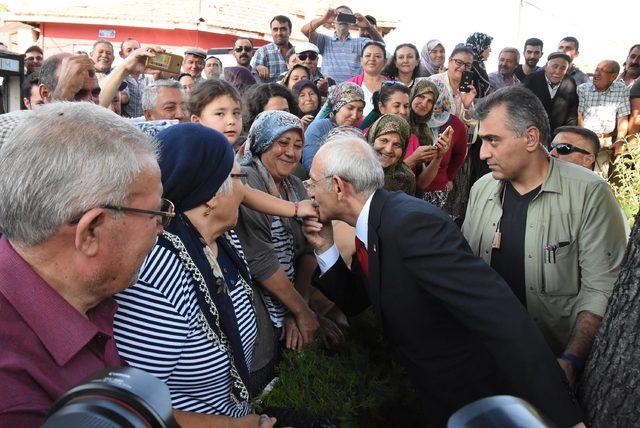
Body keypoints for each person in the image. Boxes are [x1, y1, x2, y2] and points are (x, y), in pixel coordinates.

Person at [301, 136, 584, 428]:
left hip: (478, 397)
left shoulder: (411, 225)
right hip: (436, 393)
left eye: (311, 182)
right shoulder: (373, 224)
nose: (307, 192)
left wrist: (565, 416)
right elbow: (357, 301)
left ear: (338, 186)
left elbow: (497, 311)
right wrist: (324, 247)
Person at [112, 123, 299, 423]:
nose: (245, 189)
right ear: (212, 195)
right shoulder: (155, 273)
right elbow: (134, 407)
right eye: (239, 177)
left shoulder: (224, 240)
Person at [0, 102, 160, 424]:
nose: (160, 227)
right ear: (90, 232)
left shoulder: (85, 291)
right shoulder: (16, 401)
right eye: (154, 214)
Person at [463, 87, 627, 385]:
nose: (483, 152)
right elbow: (468, 271)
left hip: (552, 365)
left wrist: (572, 359)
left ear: (531, 138)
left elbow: (601, 286)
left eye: (492, 140)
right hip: (486, 355)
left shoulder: (589, 194)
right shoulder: (482, 189)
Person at [235, 110, 328, 358]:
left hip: (289, 295)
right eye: (282, 143)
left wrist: (296, 308)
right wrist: (301, 311)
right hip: (254, 297)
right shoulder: (245, 180)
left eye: (298, 145)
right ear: (263, 141)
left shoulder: (295, 185)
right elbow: (260, 259)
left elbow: (307, 251)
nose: (291, 153)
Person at [410, 80, 467, 206]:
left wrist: (449, 177)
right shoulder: (407, 121)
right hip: (405, 190)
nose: (425, 104)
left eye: (431, 100)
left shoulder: (455, 125)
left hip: (435, 189)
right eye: (421, 96)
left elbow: (459, 155)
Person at [301, 6, 383, 83]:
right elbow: (305, 30)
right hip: (328, 91)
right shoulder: (325, 41)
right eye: (340, 15)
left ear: (351, 22)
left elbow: (381, 46)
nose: (343, 20)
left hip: (354, 92)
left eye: (347, 17)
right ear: (333, 21)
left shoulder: (360, 42)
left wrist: (368, 27)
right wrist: (324, 19)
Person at [577, 60, 630, 174]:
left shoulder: (621, 90)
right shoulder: (582, 89)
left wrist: (620, 140)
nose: (597, 74)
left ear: (613, 77)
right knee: (580, 175)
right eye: (597, 69)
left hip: (606, 143)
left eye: (603, 71)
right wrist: (582, 140)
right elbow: (579, 115)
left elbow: (623, 118)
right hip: (585, 139)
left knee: (599, 178)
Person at [301, 82, 365, 172]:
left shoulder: (358, 134)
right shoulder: (319, 128)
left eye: (360, 110)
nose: (355, 115)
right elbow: (310, 165)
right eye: (350, 108)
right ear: (336, 107)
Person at [522, 52, 578, 137]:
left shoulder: (570, 82)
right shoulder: (532, 79)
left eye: (563, 68)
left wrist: (568, 134)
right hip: (532, 133)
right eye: (555, 66)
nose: (558, 71)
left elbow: (572, 112)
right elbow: (523, 107)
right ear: (546, 67)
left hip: (558, 135)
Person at [366, 114, 416, 195]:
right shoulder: (352, 171)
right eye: (384, 140)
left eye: (397, 145)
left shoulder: (406, 179)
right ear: (372, 138)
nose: (388, 150)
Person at [189, 79, 244, 148]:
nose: (232, 121)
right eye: (220, 114)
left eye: (236, 113)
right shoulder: (189, 157)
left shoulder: (247, 153)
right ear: (197, 121)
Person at [347, 41, 390, 117]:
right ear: (361, 60)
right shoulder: (349, 85)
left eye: (377, 56)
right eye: (367, 55)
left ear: (385, 61)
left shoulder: (394, 86)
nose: (372, 59)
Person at [252, 15, 293, 82]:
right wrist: (257, 68)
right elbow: (252, 75)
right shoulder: (262, 52)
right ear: (271, 31)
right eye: (275, 29)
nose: (279, 33)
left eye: (283, 29)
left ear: (290, 31)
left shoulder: (297, 53)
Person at [119, 38, 151, 118]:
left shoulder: (148, 77)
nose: (134, 53)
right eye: (129, 50)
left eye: (136, 50)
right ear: (121, 54)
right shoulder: (119, 74)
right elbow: (123, 98)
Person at [465, 32, 493, 98]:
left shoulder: (479, 66)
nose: (490, 50)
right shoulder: (470, 67)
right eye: (488, 47)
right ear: (480, 47)